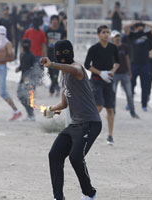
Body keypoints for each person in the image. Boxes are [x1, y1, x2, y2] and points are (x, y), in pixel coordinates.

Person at [40, 40, 101, 200]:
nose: (62, 57)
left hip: (90, 123)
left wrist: (52, 65)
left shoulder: (77, 68)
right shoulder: (64, 76)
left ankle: (90, 193)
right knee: (54, 155)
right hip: (74, 125)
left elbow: (71, 68)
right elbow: (64, 103)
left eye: (65, 53)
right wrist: (51, 110)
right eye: (58, 55)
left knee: (75, 157)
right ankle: (58, 197)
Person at [84, 25, 120, 145]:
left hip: (108, 81)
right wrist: (100, 73)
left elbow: (117, 62)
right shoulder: (94, 48)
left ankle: (110, 135)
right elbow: (87, 65)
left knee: (110, 109)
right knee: (98, 106)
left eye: (107, 32)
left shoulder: (113, 47)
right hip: (96, 80)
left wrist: (111, 72)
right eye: (103, 32)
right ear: (99, 34)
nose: (106, 34)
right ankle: (87, 129)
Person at [124, 22, 152, 112]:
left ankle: (144, 105)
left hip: (145, 64)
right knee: (131, 85)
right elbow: (125, 27)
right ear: (135, 28)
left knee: (145, 86)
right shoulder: (132, 35)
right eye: (139, 27)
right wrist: (135, 22)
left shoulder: (147, 35)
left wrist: (144, 22)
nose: (141, 28)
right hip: (133, 64)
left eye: (142, 27)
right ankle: (129, 103)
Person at [110, 30, 139, 119]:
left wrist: (130, 72)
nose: (117, 38)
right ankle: (112, 112)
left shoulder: (124, 47)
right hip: (114, 74)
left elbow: (127, 60)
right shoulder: (110, 48)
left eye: (118, 36)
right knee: (113, 94)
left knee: (129, 94)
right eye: (116, 37)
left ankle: (132, 112)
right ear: (112, 38)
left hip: (124, 73)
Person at [15, 39, 37, 121]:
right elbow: (22, 65)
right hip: (22, 79)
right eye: (24, 44)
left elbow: (35, 68)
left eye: (27, 44)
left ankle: (31, 115)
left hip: (29, 80)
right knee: (20, 96)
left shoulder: (32, 56)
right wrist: (19, 68)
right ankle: (30, 114)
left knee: (27, 97)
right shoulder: (21, 55)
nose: (25, 45)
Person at [46, 15, 67, 97]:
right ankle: (56, 86)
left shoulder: (61, 31)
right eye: (53, 20)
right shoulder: (47, 31)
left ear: (58, 21)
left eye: (56, 20)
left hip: (58, 55)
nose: (54, 22)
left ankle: (52, 88)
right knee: (50, 72)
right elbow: (45, 43)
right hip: (49, 54)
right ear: (51, 21)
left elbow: (65, 40)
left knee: (56, 72)